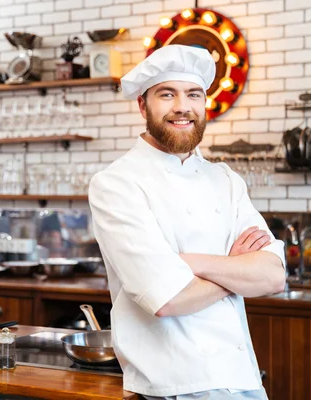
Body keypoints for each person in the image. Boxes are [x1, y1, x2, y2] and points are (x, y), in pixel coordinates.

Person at [88, 44, 286, 399]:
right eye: (167, 94)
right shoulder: (117, 183)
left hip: (243, 378)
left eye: (194, 94)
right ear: (142, 105)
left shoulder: (225, 180)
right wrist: (236, 270)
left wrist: (190, 264)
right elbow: (166, 298)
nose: (183, 106)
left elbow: (273, 276)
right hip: (174, 386)